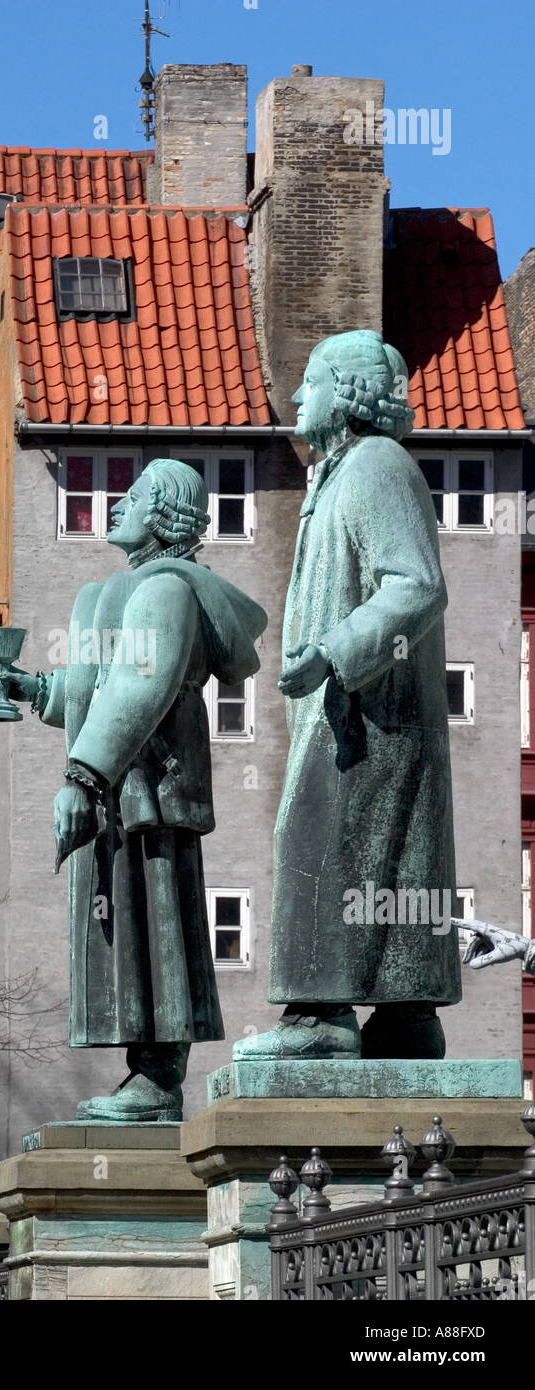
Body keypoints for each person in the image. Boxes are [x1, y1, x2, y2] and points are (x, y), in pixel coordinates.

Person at [2, 458, 266, 1119]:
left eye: (135, 493)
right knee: (126, 934)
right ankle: (146, 1080)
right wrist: (36, 690)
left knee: (153, 932)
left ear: (165, 514)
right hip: (119, 791)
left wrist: (81, 774)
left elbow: (139, 690)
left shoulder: (167, 590)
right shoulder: (123, 591)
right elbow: (98, 690)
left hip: (146, 795)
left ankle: (158, 1081)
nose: (117, 500)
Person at [237, 330, 461, 1063]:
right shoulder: (342, 474)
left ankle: (320, 1016)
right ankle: (404, 1022)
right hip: (360, 710)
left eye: (310, 381)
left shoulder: (375, 466)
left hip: (369, 712)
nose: (298, 396)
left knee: (319, 844)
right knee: (390, 864)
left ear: (348, 394)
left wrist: (336, 654)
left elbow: (417, 584)